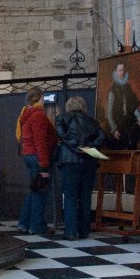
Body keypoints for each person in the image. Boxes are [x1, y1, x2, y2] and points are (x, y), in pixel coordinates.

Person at [55, 96, 105, 240]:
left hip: (69, 160)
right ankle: (84, 231)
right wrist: (88, 147)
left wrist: (76, 147)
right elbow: (101, 138)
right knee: (85, 196)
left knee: (70, 197)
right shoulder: (93, 122)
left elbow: (62, 135)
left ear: (68, 106)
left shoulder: (62, 118)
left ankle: (70, 232)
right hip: (89, 161)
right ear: (83, 106)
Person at [15, 86, 58, 235]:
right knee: (41, 191)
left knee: (34, 190)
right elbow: (40, 141)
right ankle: (36, 225)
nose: (44, 100)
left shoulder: (25, 114)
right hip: (37, 156)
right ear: (39, 97)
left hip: (28, 154)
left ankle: (24, 223)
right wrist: (44, 167)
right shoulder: (38, 115)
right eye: (43, 97)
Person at [105, 62, 140, 149]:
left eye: (123, 70)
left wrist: (138, 115)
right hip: (118, 124)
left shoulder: (127, 87)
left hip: (129, 123)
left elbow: (132, 104)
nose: (121, 72)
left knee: (133, 145)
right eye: (119, 70)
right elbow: (109, 112)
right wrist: (113, 129)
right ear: (116, 72)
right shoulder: (112, 90)